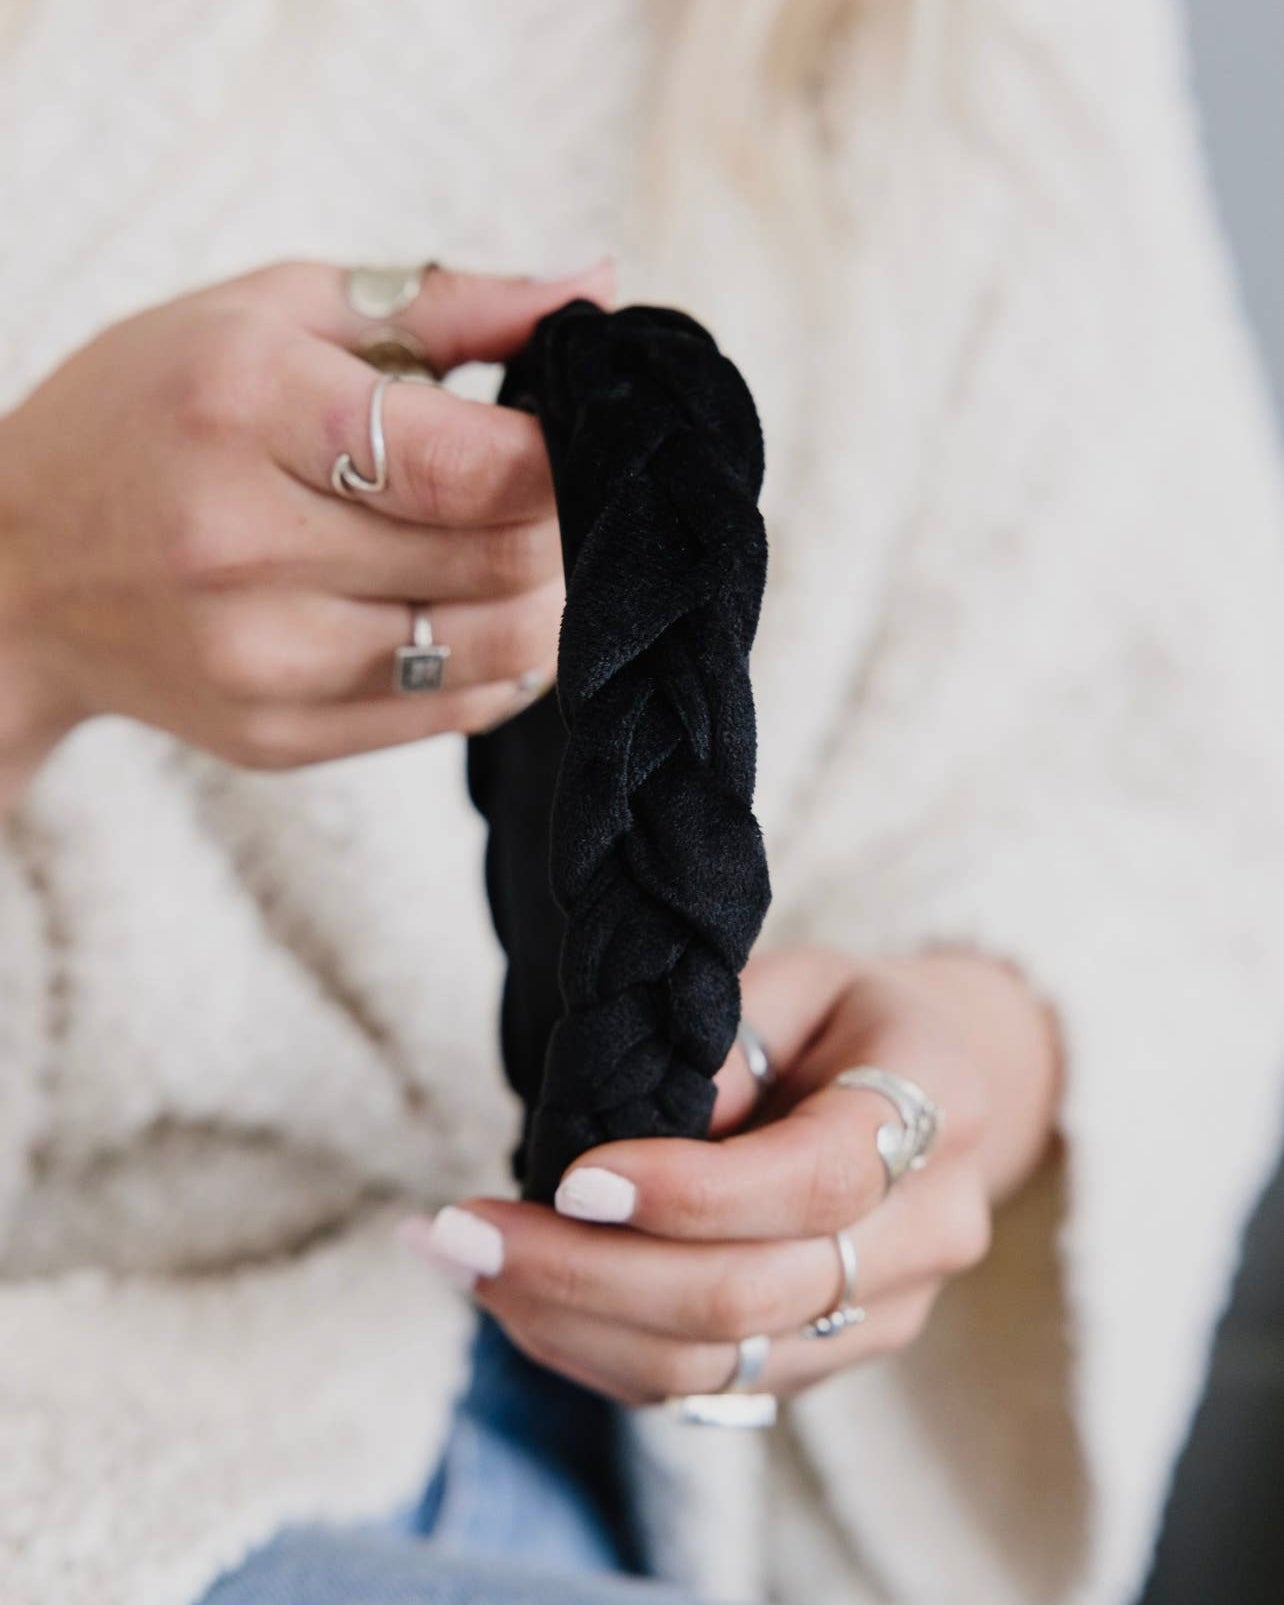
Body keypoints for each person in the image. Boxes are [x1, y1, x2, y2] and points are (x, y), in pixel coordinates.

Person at [2, 3, 1283, 1603]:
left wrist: (937, 1079)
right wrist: (25, 593)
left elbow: (1159, 811)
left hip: (619, 1466)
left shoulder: (982, 54)